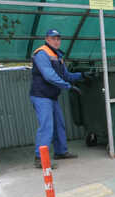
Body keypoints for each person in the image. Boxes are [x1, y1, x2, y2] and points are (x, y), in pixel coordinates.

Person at [30, 29, 92, 168]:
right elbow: (49, 75)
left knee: (59, 124)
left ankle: (60, 152)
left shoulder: (57, 56)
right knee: (46, 127)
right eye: (53, 38)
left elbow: (66, 75)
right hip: (41, 96)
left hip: (51, 96)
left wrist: (82, 75)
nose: (56, 41)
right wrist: (68, 87)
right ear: (47, 39)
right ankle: (40, 158)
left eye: (58, 39)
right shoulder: (42, 53)